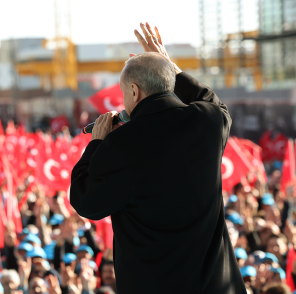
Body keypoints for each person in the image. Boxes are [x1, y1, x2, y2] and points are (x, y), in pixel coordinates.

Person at [70, 23, 244, 293]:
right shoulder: (208, 121)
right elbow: (212, 101)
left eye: (124, 92)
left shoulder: (121, 145)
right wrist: (170, 65)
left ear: (135, 92)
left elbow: (86, 201)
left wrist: (97, 145)